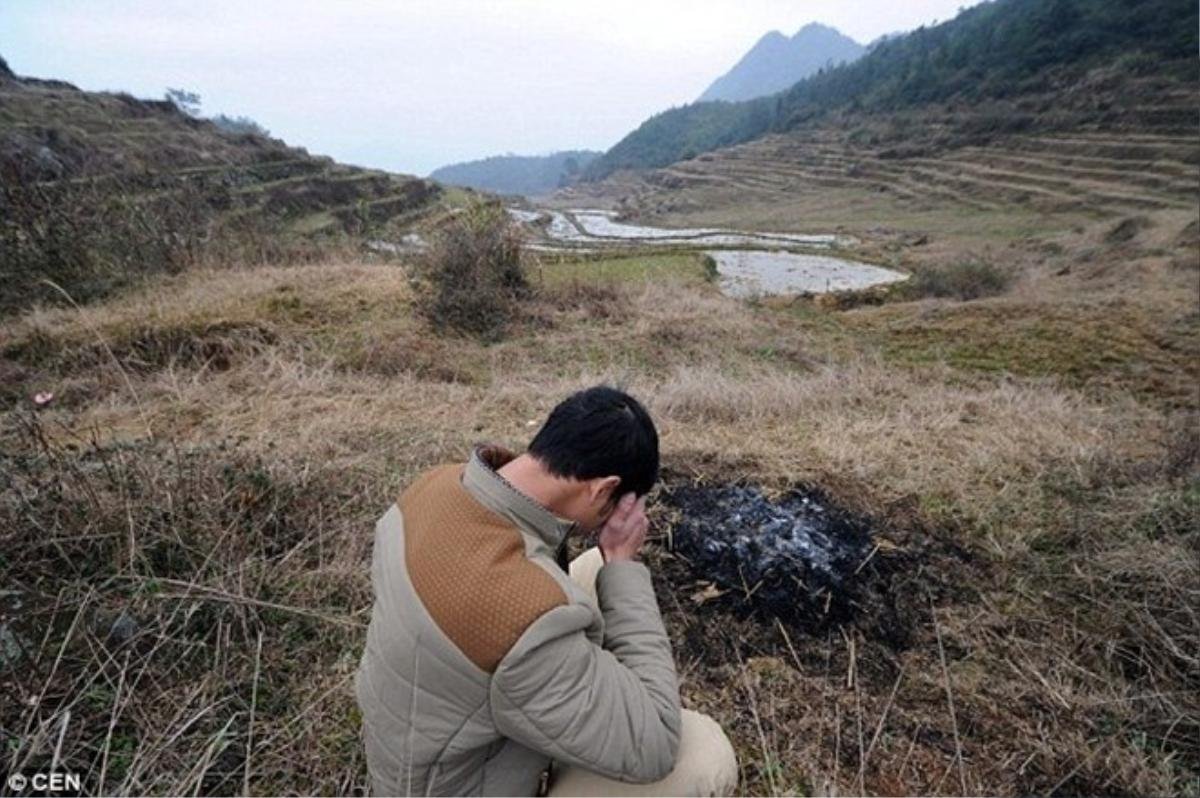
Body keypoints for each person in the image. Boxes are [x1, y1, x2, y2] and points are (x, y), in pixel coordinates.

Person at [355, 385, 738, 796]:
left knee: (594, 566)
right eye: (618, 503)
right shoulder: (523, 625)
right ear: (602, 489)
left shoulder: (434, 486)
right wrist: (623, 563)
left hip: (417, 742)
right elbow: (656, 743)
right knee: (700, 751)